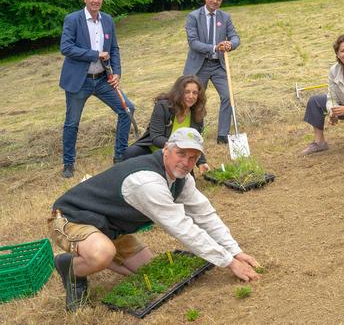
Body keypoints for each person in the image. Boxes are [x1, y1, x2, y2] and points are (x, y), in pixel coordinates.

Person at [49, 127, 260, 312]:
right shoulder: (147, 182)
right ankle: (71, 268)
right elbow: (182, 228)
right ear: (166, 149)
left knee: (148, 270)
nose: (186, 162)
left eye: (193, 158)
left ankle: (98, 252)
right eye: (181, 154)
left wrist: (235, 251)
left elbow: (205, 215)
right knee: (102, 254)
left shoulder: (182, 180)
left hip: (109, 226)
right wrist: (228, 262)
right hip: (71, 217)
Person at [59, 0, 134, 179]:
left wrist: (116, 72)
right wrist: (94, 54)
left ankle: (120, 156)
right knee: (72, 123)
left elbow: (114, 49)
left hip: (103, 80)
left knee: (127, 109)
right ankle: (68, 163)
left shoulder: (107, 20)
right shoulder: (73, 19)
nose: (96, 1)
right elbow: (66, 47)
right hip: (79, 81)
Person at [183, 0, 240, 145]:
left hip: (218, 65)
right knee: (195, 99)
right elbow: (193, 42)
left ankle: (223, 136)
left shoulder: (225, 17)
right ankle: (195, 133)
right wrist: (214, 47)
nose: (215, 1)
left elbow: (235, 37)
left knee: (228, 97)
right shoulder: (193, 17)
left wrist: (230, 44)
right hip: (198, 66)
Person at [123, 75, 210, 173]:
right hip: (155, 151)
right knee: (131, 153)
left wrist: (202, 162)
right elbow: (156, 137)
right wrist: (179, 147)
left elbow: (195, 141)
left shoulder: (197, 113)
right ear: (179, 92)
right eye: (187, 92)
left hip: (181, 155)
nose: (191, 96)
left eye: (195, 93)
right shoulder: (163, 106)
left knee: (182, 182)